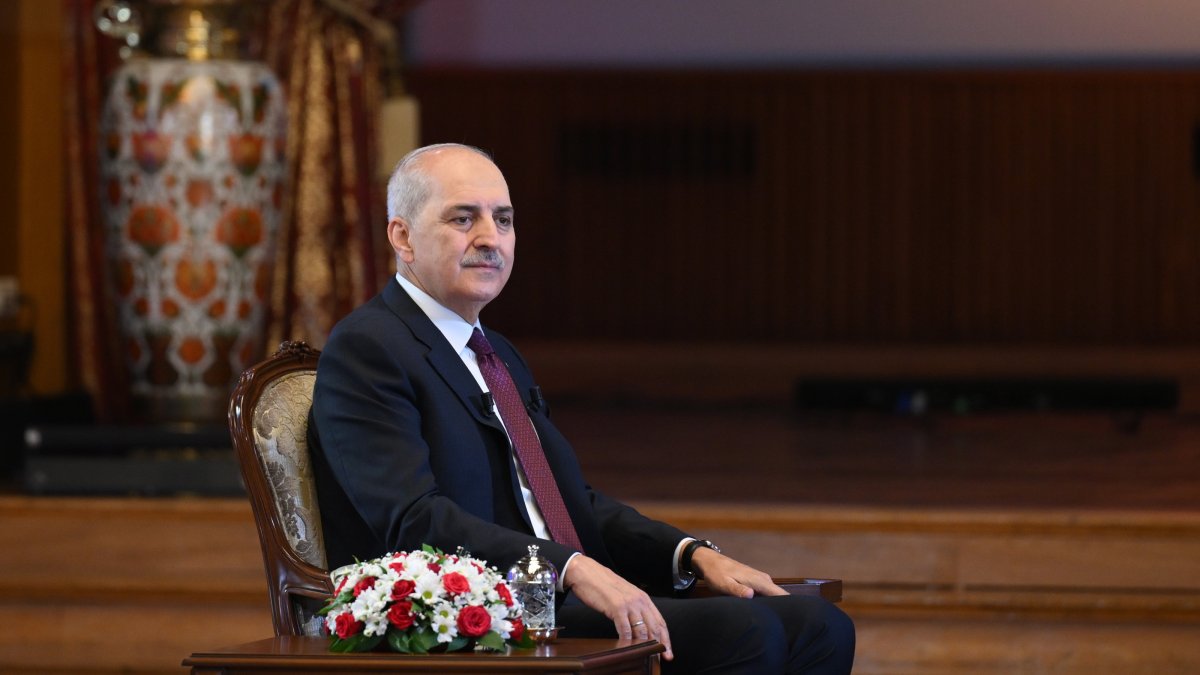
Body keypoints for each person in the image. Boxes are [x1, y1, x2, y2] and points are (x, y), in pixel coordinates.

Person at [307, 143, 855, 673]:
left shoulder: (496, 353)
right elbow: (412, 519)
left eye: (503, 219)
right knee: (749, 633)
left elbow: (569, 502)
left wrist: (689, 554)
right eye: (463, 218)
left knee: (821, 626)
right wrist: (570, 568)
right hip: (490, 612)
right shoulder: (370, 348)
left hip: (561, 595)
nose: (490, 238)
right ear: (402, 236)